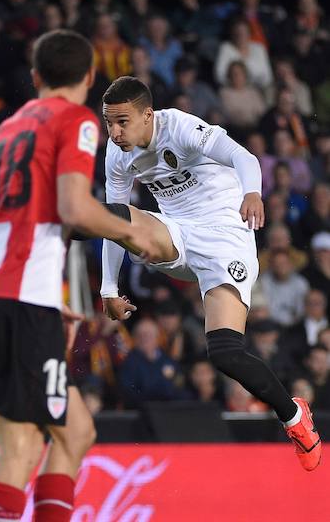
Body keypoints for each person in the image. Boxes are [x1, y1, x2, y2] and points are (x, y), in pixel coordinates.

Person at [0, 30, 155, 521]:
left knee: (75, 433)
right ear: (91, 78)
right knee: (22, 446)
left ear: (35, 77)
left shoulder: (2, 132)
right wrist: (134, 233)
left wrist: (45, 299)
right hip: (19, 302)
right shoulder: (75, 120)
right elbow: (74, 208)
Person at [98, 75, 321, 470]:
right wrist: (109, 287)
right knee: (109, 216)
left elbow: (244, 158)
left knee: (224, 353)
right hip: (177, 232)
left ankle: (293, 416)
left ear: (148, 116)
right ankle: (44, 216)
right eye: (108, 123)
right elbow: (113, 227)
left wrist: (253, 192)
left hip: (226, 235)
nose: (114, 133)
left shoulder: (180, 126)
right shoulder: (117, 155)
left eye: (122, 122)